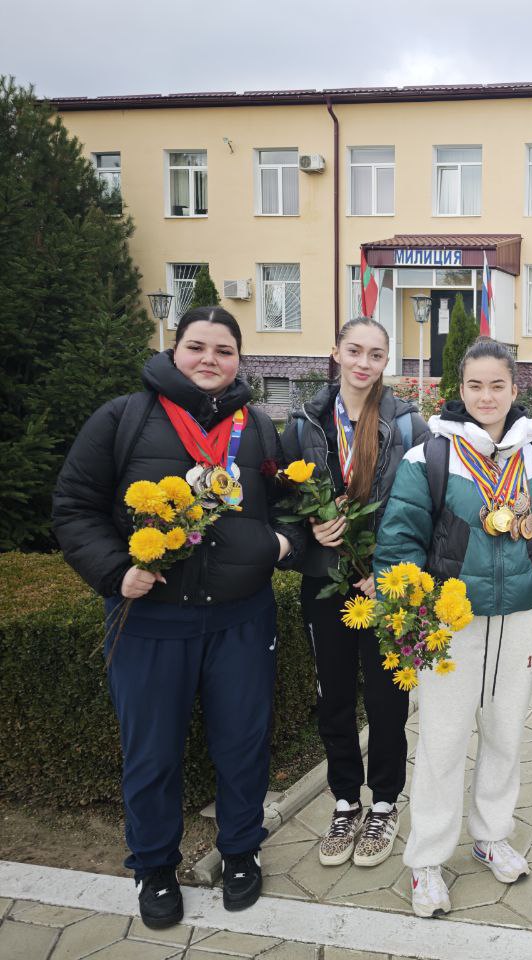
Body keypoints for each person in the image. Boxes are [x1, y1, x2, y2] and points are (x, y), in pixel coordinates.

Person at [52, 306, 303, 929]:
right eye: (197, 346)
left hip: (242, 620)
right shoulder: (124, 418)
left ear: (240, 360)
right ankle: (155, 866)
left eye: (223, 349)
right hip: (150, 621)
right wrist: (115, 572)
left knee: (243, 745)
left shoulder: (260, 428)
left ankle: (241, 852)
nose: (209, 359)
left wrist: (279, 545)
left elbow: (296, 504)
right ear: (173, 349)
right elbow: (75, 506)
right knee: (151, 751)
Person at [372, 338, 532, 917]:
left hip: (522, 618)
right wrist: (413, 613)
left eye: (498, 385)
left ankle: (490, 835)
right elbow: (399, 542)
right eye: (475, 385)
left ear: (515, 390)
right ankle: (428, 861)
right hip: (450, 623)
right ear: (460, 390)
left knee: (506, 734)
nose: (486, 396)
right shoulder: (430, 456)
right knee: (442, 740)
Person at [280, 317, 427, 869]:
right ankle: (345, 801)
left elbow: (425, 507)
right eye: (355, 351)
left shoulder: (409, 424)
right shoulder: (303, 423)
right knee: (335, 699)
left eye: (376, 355)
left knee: (388, 702)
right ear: (336, 352)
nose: (364, 363)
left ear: (386, 362)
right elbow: (282, 505)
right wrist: (309, 532)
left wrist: (390, 566)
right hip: (325, 585)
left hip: (384, 586)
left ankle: (385, 803)